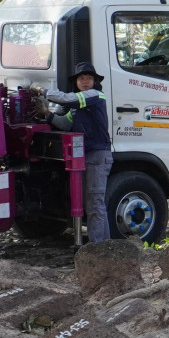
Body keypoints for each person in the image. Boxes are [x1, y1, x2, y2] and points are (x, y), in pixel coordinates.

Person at [46, 61, 113, 241]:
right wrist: (48, 115)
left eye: (89, 78)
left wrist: (43, 92)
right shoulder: (77, 108)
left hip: (98, 156)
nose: (85, 81)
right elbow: (65, 124)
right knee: (93, 203)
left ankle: (97, 249)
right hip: (89, 157)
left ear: (94, 82)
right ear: (76, 82)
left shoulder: (96, 96)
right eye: (81, 78)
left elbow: (68, 99)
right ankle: (104, 246)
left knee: (95, 203)